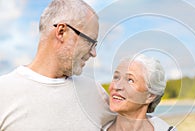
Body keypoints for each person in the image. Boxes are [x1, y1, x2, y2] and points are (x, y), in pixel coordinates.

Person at [0, 0, 114, 130]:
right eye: (89, 42)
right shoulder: (3, 92)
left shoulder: (95, 93)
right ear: (61, 32)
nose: (93, 53)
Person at [102, 54, 176, 131]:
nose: (116, 86)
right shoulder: (95, 127)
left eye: (130, 80)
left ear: (150, 96)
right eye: (116, 77)